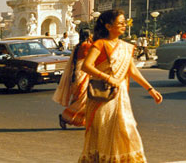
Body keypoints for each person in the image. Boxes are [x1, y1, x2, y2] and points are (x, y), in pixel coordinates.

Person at [79, 9, 163, 162]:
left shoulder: (126, 47)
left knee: (126, 129)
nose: (125, 25)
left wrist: (150, 89)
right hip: (103, 98)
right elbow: (86, 66)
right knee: (106, 133)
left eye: (125, 22)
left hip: (121, 96)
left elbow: (132, 70)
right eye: (121, 23)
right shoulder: (100, 44)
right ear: (109, 26)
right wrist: (108, 78)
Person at [53, 28, 92, 129]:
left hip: (77, 75)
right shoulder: (86, 46)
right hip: (82, 75)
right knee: (82, 100)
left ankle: (84, 120)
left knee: (80, 100)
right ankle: (65, 117)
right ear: (88, 36)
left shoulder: (77, 46)